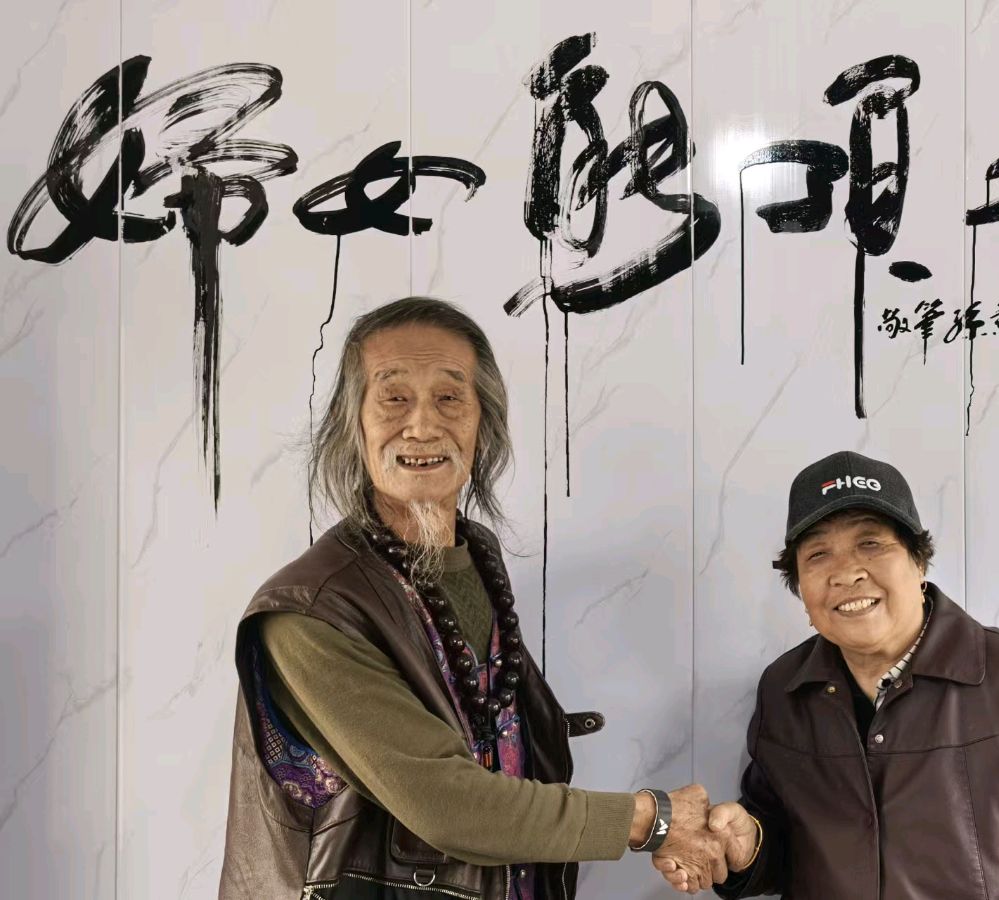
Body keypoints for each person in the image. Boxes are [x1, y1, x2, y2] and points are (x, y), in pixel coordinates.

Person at [219, 296, 727, 899]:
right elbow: (447, 803)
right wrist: (652, 820)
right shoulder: (311, 611)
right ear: (351, 425)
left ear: (482, 423)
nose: (423, 425)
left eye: (449, 397)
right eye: (393, 398)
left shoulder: (476, 557)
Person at [656, 450, 999, 898]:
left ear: (919, 562)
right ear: (800, 589)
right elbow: (783, 848)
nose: (846, 573)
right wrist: (748, 847)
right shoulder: (783, 688)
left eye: (870, 543)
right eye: (818, 555)